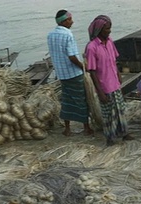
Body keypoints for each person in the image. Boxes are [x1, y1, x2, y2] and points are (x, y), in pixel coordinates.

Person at [85, 15, 133, 146]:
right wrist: (99, 91)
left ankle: (124, 132)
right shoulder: (92, 47)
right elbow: (92, 71)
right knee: (108, 114)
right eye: (107, 29)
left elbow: (114, 60)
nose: (109, 31)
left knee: (120, 109)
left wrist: (118, 74)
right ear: (99, 30)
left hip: (114, 83)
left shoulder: (110, 42)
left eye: (110, 28)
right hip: (104, 86)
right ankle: (110, 138)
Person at [47, 9, 92, 137]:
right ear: (65, 21)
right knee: (81, 100)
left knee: (66, 100)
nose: (72, 22)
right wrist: (84, 67)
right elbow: (72, 57)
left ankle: (67, 129)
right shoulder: (68, 35)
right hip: (73, 74)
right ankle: (87, 128)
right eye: (70, 19)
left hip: (61, 74)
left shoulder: (50, 35)